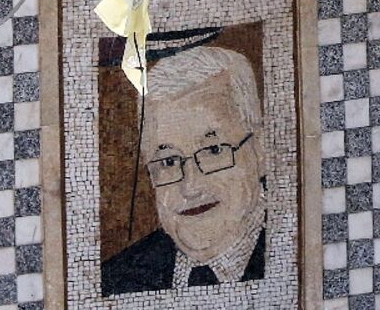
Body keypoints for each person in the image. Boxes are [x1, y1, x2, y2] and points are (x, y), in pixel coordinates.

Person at [101, 46, 268, 296]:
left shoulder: (300, 248)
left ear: (260, 149)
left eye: (213, 151)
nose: (190, 187)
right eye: (168, 162)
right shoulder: (117, 279)